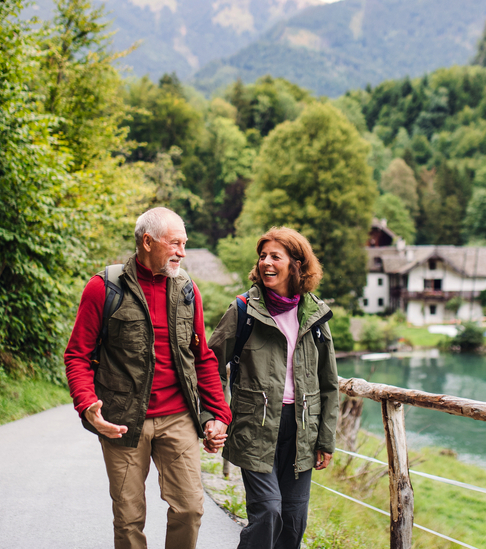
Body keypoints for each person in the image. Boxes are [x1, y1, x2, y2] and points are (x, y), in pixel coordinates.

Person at [64, 207, 232, 549]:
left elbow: (202, 357)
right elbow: (77, 355)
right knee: (128, 519)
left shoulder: (187, 290)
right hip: (122, 421)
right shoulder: (103, 288)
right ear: (147, 241)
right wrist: (87, 406)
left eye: (185, 244)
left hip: (178, 418)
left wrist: (218, 414)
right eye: (175, 244)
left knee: (189, 509)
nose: (182, 253)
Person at [209, 227, 339, 549]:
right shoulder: (244, 310)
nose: (266, 262)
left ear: (296, 264)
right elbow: (210, 364)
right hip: (255, 427)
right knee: (268, 513)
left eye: (275, 257)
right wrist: (217, 414)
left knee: (293, 524)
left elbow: (329, 383)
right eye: (263, 256)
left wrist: (325, 439)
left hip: (301, 433)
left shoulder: (314, 315)